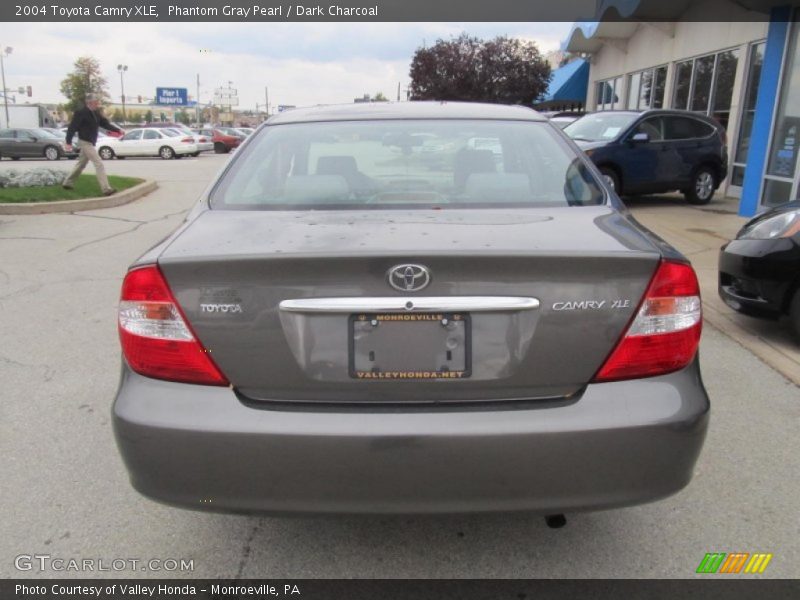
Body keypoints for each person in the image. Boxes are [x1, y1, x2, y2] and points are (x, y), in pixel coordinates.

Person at [63, 94, 124, 196]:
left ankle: (67, 182)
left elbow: (105, 124)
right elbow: (72, 128)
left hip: (90, 142)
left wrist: (118, 130)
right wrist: (68, 142)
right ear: (89, 103)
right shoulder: (81, 113)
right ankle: (106, 189)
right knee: (98, 163)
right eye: (96, 102)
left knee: (81, 164)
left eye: (98, 102)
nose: (98, 104)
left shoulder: (96, 113)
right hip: (84, 142)